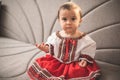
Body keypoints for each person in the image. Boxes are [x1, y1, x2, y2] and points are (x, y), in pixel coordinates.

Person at [27, 2, 100, 80]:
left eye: (73, 19)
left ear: (80, 21)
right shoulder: (56, 36)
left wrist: (84, 59)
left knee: (78, 72)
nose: (68, 22)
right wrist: (45, 48)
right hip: (57, 61)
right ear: (59, 20)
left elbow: (88, 47)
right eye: (64, 19)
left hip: (75, 63)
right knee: (48, 69)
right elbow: (51, 46)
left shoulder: (83, 38)